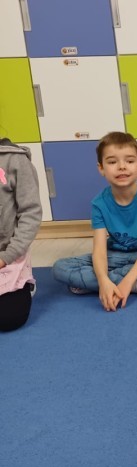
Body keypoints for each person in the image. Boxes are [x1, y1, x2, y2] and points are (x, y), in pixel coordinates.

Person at [52, 131, 137, 309]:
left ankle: (112, 284)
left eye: (129, 161)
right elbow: (99, 251)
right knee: (60, 267)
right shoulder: (99, 203)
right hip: (116, 256)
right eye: (112, 162)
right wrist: (103, 280)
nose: (122, 167)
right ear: (101, 168)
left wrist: (125, 280)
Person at [0, 139, 42, 332]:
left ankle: (25, 285)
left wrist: (6, 257)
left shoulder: (14, 159)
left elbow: (30, 213)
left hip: (7, 258)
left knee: (9, 319)